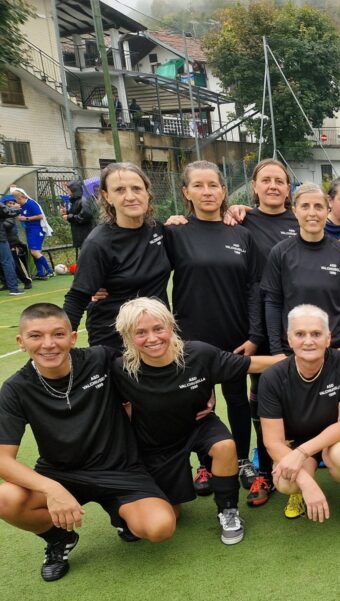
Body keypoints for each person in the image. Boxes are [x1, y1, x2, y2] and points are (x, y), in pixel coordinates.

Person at [0, 304, 176, 582]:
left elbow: (154, 361)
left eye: (58, 334)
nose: (48, 345)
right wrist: (51, 488)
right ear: (21, 342)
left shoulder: (100, 359)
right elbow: (2, 459)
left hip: (121, 469)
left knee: (159, 528)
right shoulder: (15, 388)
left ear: (72, 337)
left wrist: (198, 394)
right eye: (36, 336)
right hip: (60, 474)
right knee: (5, 499)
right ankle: (60, 538)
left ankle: (122, 518)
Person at [112, 298, 282, 545]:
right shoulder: (121, 370)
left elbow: (252, 364)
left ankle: (228, 511)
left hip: (199, 425)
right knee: (171, 517)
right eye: (140, 332)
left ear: (171, 326)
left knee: (225, 445)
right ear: (127, 336)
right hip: (157, 443)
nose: (152, 338)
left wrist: (308, 355)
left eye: (159, 328)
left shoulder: (198, 353)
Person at [164, 160, 262, 495]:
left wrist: (253, 335)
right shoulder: (174, 233)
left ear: (223, 190)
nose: (207, 192)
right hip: (191, 338)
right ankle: (206, 466)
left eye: (213, 185)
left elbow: (253, 288)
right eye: (199, 185)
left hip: (235, 335)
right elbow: (146, 272)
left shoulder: (241, 234)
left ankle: (242, 462)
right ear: (185, 192)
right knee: (197, 402)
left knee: (236, 399)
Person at [225, 158, 299, 506]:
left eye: (279, 181)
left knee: (299, 399)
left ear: (288, 188)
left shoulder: (300, 219)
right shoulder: (241, 222)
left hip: (300, 327)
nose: (273, 186)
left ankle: (301, 461)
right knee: (264, 400)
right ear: (253, 186)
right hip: (259, 325)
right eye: (265, 180)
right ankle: (265, 473)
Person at [259, 305, 340, 528]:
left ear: (328, 338)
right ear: (289, 339)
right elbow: (272, 441)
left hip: (336, 439)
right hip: (296, 441)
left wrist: (301, 453)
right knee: (286, 483)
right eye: (300, 334)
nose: (308, 341)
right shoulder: (272, 377)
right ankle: (297, 493)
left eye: (316, 334)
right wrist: (306, 483)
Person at [62, 163, 172, 350]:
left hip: (155, 338)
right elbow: (77, 298)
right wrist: (58, 343)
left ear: (147, 192)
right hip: (114, 340)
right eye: (120, 190)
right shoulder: (98, 242)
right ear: (107, 196)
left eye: (136, 188)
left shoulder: (159, 230)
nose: (130, 196)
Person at [262, 183, 340, 355]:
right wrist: (276, 351)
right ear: (295, 211)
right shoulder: (280, 253)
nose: (312, 213)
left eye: (318, 206)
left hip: (338, 348)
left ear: (327, 210)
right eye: (305, 206)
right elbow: (273, 303)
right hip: (294, 351)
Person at [10, 187, 55, 280]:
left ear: (21, 198)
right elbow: (18, 216)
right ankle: (41, 273)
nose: (16, 203)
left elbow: (40, 216)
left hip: (37, 229)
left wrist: (26, 218)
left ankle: (50, 271)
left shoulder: (31, 203)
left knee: (34, 252)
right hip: (30, 230)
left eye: (16, 201)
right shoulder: (21, 206)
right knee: (34, 252)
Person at [61, 179, 96, 259]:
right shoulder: (76, 201)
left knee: (88, 255)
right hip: (81, 234)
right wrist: (66, 212)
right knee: (85, 255)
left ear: (74, 189)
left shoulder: (83, 201)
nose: (67, 191)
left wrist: (69, 217)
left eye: (68, 189)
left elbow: (85, 215)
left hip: (86, 234)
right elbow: (76, 212)